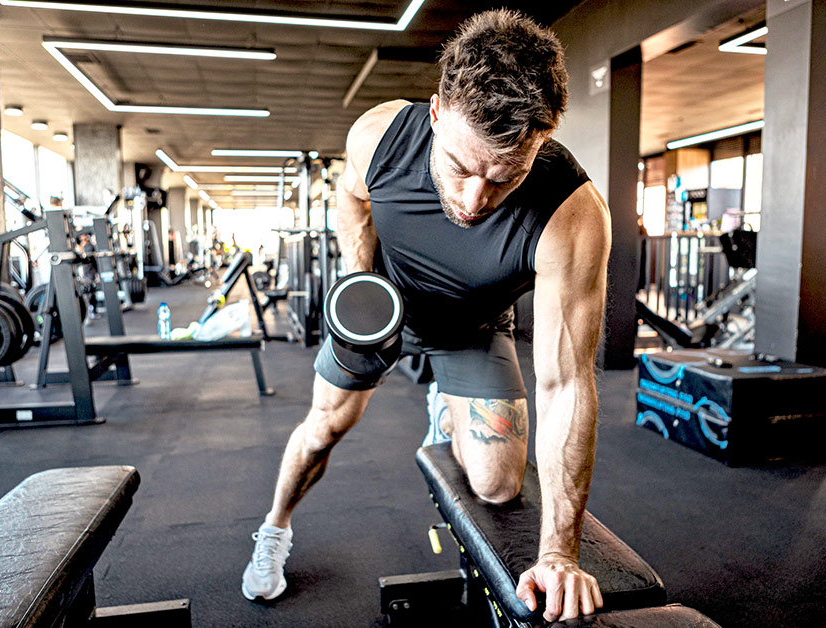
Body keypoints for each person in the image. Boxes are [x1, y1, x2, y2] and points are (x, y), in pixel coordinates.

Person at [242, 9, 611, 623]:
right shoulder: (379, 135)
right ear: (437, 112)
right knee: (321, 430)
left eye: (504, 179)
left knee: (497, 484)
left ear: (539, 144)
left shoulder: (572, 217)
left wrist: (559, 554)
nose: (474, 201)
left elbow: (567, 383)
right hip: (384, 307)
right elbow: (352, 195)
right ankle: (274, 529)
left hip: (473, 327)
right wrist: (361, 280)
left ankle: (448, 404)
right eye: (462, 168)